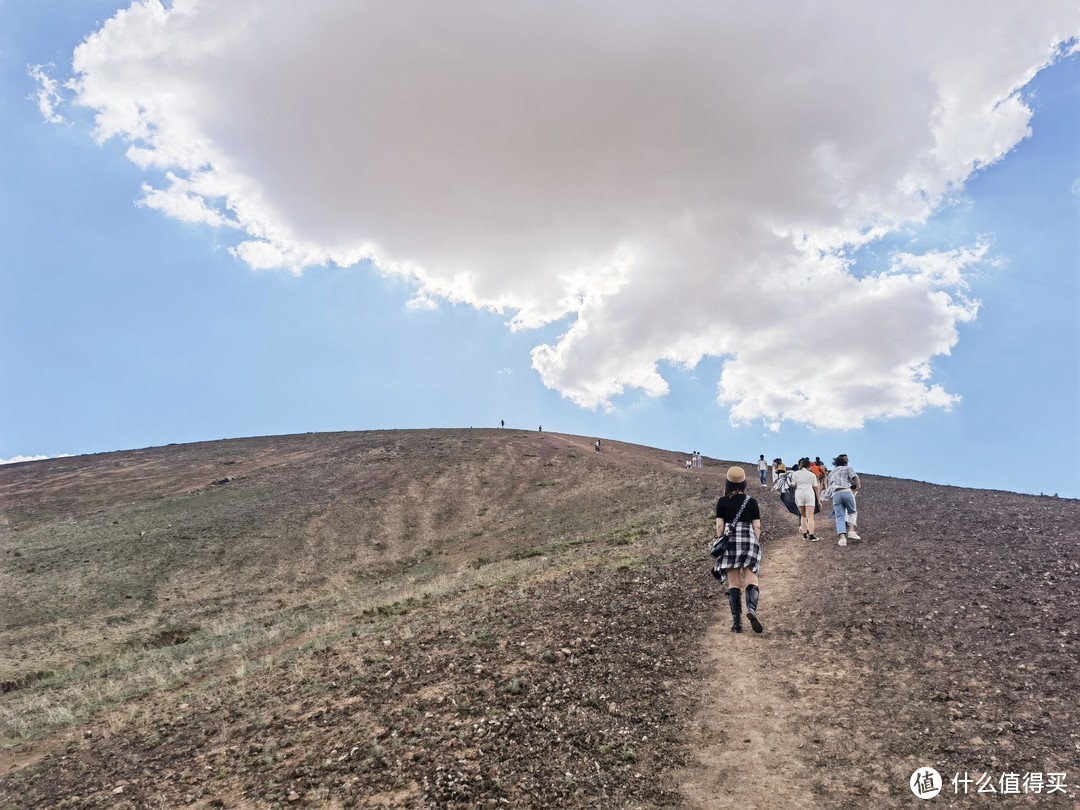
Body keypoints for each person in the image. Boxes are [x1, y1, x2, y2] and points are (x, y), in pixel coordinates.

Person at [713, 467, 765, 634]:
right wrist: (755, 541)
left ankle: (736, 623)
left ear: (727, 483)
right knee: (751, 577)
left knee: (734, 582)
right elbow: (757, 526)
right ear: (744, 484)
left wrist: (720, 538)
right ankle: (752, 609)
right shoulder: (751, 501)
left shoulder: (722, 501)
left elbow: (720, 525)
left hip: (730, 541)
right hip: (749, 540)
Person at [823, 453, 861, 546]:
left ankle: (842, 539)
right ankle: (851, 531)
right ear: (845, 462)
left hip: (835, 494)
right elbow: (855, 477)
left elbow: (829, 485)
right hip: (846, 491)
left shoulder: (831, 473)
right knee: (852, 512)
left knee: (839, 516)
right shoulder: (848, 468)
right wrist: (857, 486)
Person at [791, 459, 820, 541]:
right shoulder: (812, 475)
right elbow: (816, 487)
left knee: (803, 515)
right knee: (810, 516)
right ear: (809, 465)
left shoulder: (795, 474)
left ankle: (804, 535)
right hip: (809, 493)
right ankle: (811, 535)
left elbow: (792, 485)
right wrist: (819, 500)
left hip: (799, 493)